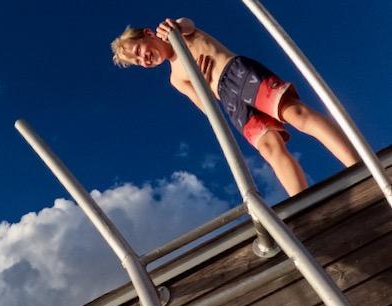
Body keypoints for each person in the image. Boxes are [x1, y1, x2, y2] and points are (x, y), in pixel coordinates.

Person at [111, 17, 359, 196]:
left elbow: (188, 24)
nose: (143, 58)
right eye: (137, 61)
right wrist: (202, 85)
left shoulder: (178, 33)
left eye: (139, 50)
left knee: (295, 113)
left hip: (238, 73)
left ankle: (356, 164)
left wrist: (174, 27)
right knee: (269, 148)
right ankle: (303, 200)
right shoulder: (175, 78)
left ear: (148, 34)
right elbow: (207, 107)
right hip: (229, 100)